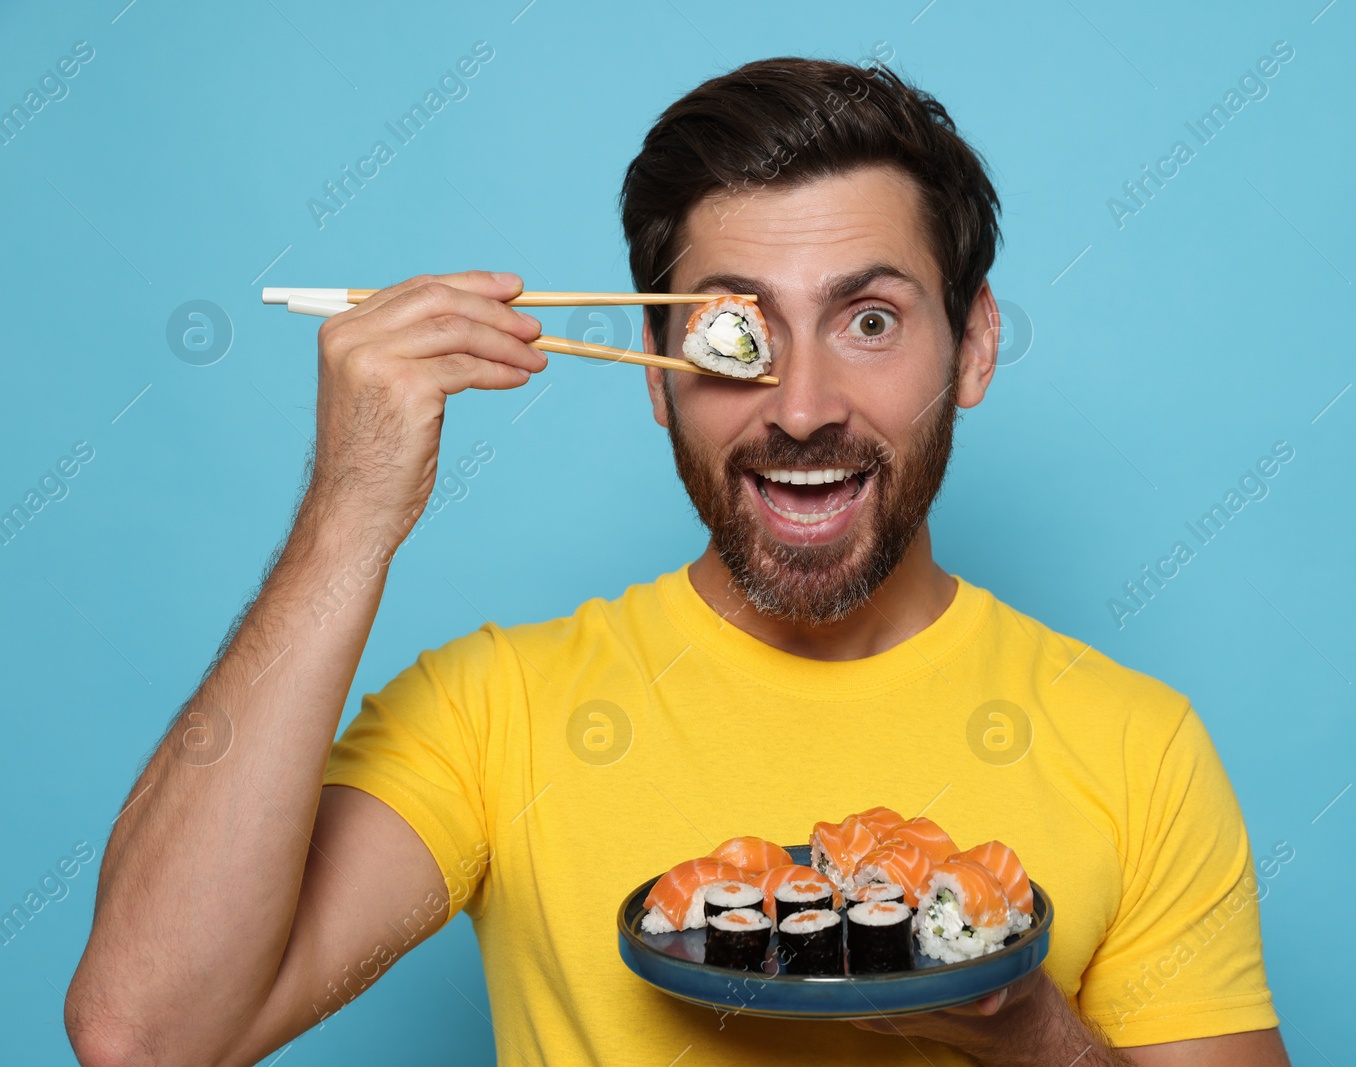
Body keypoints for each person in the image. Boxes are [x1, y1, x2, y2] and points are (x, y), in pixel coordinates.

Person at [65, 58, 1291, 1067]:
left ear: (971, 349)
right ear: (655, 367)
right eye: (731, 330)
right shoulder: (499, 711)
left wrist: (1027, 1031)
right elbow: (143, 1033)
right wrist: (347, 514)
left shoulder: (1136, 742)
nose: (802, 404)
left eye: (869, 320)